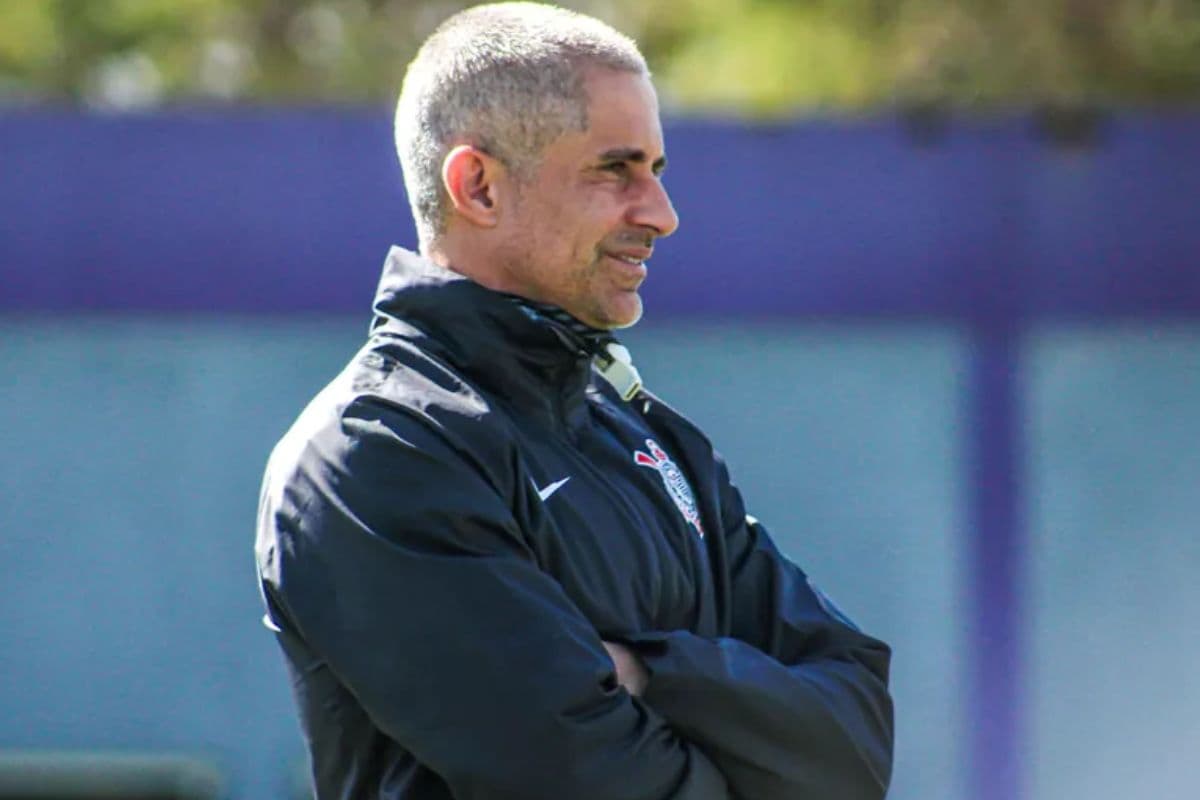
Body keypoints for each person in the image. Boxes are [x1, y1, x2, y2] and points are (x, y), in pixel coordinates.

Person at [254, 3, 894, 799]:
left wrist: (649, 672)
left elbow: (858, 737)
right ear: (478, 186)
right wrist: (746, 730)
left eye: (657, 172)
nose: (660, 214)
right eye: (614, 170)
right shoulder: (376, 453)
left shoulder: (650, 439)